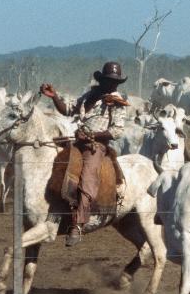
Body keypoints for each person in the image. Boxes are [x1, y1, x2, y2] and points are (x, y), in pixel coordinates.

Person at [40, 62, 129, 246]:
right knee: (54, 162)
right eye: (109, 80)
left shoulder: (117, 102)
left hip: (96, 146)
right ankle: (53, 208)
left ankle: (78, 224)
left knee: (88, 177)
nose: (112, 84)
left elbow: (117, 131)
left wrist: (91, 135)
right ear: (102, 80)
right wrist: (54, 96)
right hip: (77, 142)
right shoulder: (90, 95)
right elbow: (68, 109)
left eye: (115, 82)